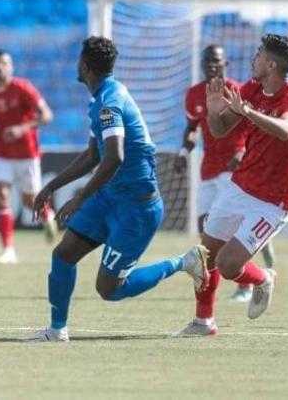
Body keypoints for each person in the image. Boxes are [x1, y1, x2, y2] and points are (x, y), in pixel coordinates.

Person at [28, 37, 207, 342]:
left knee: (109, 289)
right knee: (63, 254)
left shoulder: (110, 103)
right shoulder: (100, 98)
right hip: (110, 197)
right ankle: (57, 330)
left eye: (78, 60)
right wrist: (51, 186)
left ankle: (182, 262)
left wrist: (80, 196)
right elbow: (93, 154)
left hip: (136, 207)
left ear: (85, 65)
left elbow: (115, 157)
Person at [177, 34, 288, 337]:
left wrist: (249, 111)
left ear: (271, 64)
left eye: (259, 55)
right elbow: (220, 129)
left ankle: (263, 278)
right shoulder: (251, 89)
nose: (254, 59)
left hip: (274, 201)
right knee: (205, 256)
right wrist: (214, 109)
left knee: (227, 264)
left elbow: (287, 130)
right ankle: (203, 322)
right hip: (239, 187)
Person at [174, 44, 275, 303]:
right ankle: (225, 284)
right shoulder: (194, 94)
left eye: (216, 61)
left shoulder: (238, 91)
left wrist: (243, 153)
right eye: (207, 61)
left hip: (235, 169)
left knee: (232, 231)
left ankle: (246, 286)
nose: (211, 65)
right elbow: (191, 128)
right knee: (204, 232)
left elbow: (255, 126)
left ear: (225, 64)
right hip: (208, 169)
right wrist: (184, 152)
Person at [0, 50, 58, 264]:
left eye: (4, 63)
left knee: (28, 201)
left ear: (11, 66)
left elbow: (47, 115)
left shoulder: (23, 88)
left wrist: (23, 128)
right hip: (0, 152)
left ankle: (48, 215)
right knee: (0, 195)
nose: (0, 67)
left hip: (27, 152)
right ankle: (8, 250)